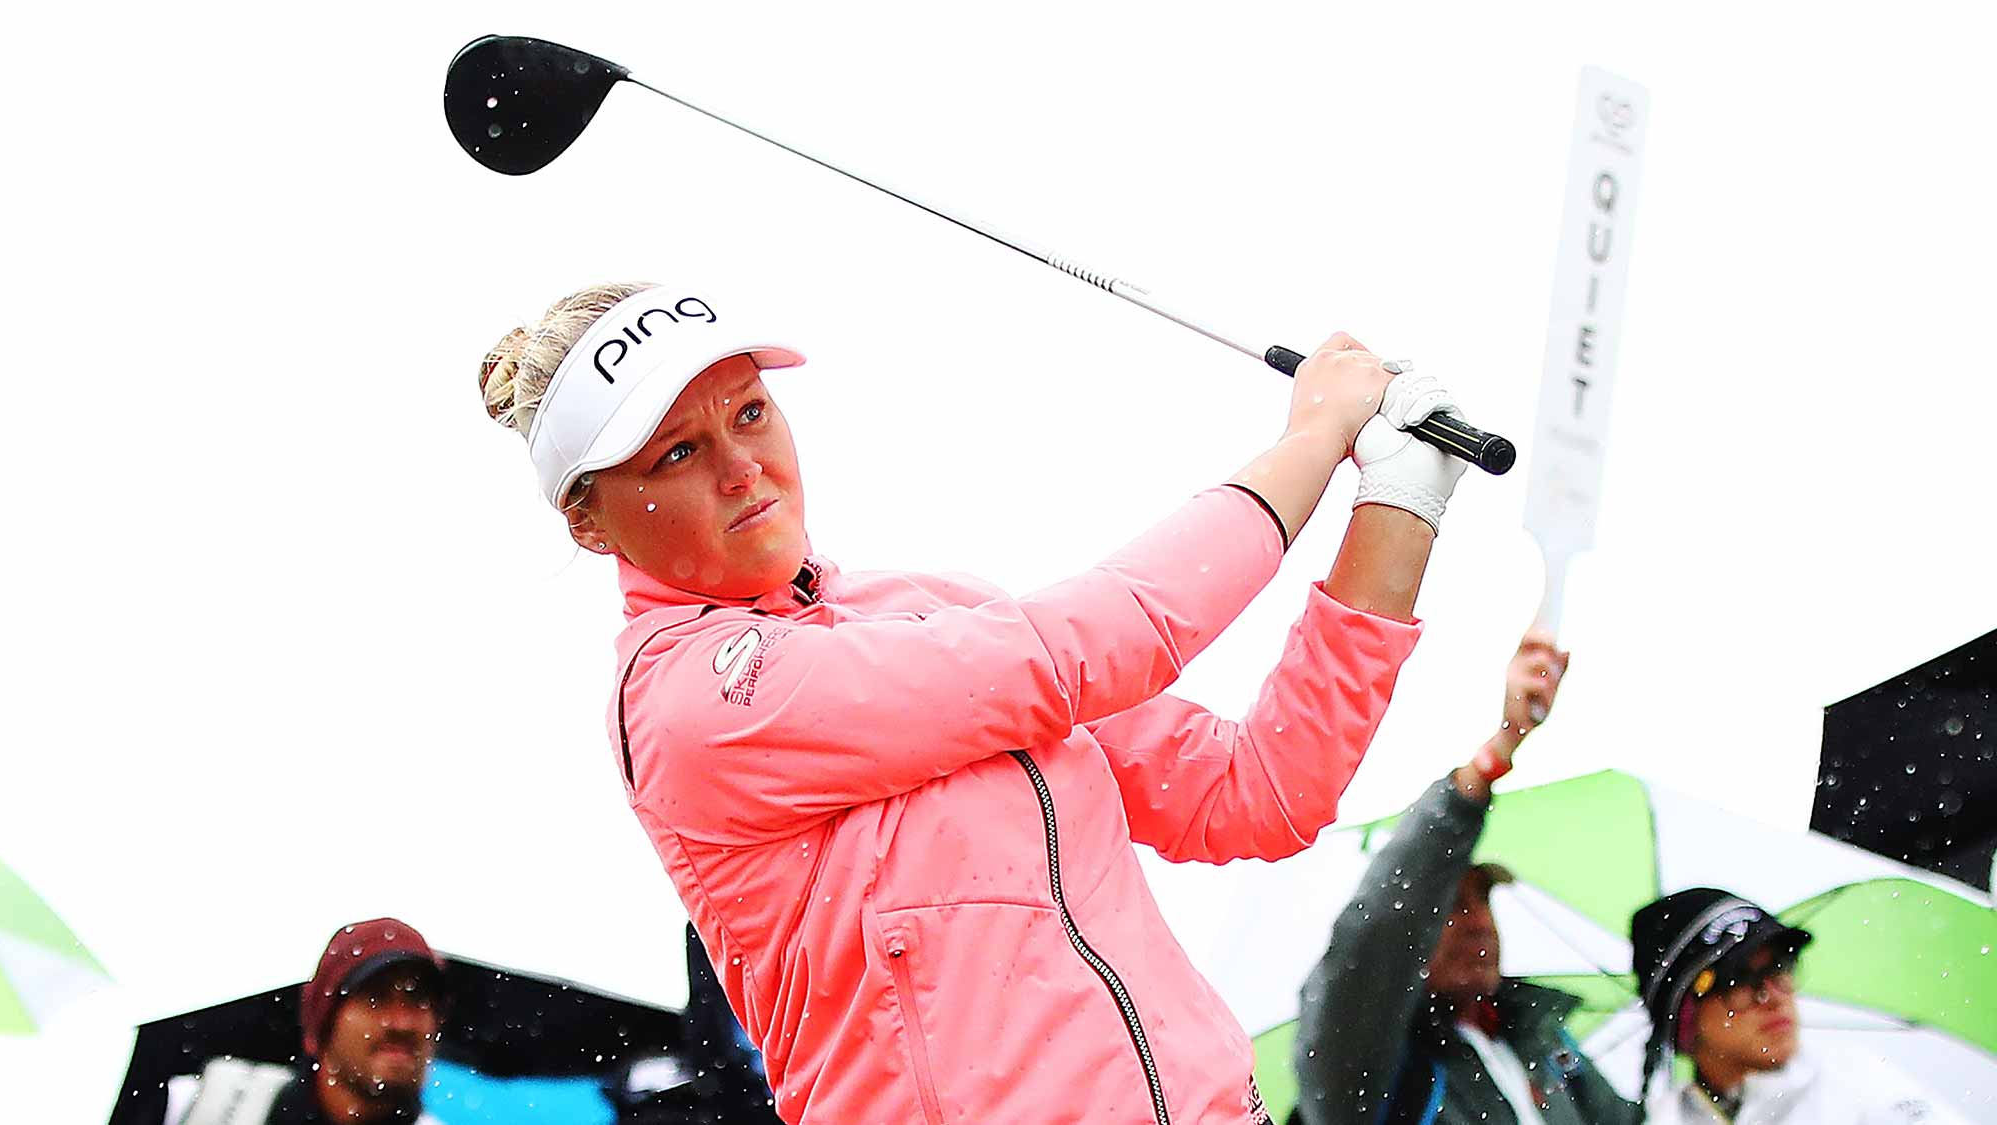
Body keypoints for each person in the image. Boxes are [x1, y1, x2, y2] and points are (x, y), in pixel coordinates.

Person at [475, 278, 1470, 1123]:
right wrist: (1310, 438)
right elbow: (1091, 648)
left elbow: (1255, 792)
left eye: (747, 412)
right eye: (677, 455)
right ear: (588, 521)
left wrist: (1397, 506)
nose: (743, 467)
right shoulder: (691, 702)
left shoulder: (924, 611)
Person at [1292, 631, 1639, 1125]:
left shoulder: (1542, 1044)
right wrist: (1492, 758)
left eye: (1482, 900)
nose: (1478, 923)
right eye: (1450, 907)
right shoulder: (1363, 1066)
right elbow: (1378, 934)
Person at [1629, 887, 1971, 1124]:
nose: (1775, 996)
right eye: (1742, 981)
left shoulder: (1854, 1081)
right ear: (1687, 1018)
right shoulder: (1661, 1120)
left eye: (1780, 969)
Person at [166, 918, 447, 1124]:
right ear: (325, 1020)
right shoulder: (195, 1106)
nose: (402, 1023)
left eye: (420, 1001)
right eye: (375, 998)